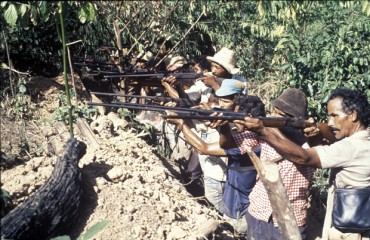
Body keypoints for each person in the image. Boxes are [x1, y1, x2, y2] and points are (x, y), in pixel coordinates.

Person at [234, 88, 370, 240]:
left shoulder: (352, 147)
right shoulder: (364, 141)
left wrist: (264, 131)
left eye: (334, 116)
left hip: (350, 230)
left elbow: (304, 157)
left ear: (353, 115)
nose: (330, 122)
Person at [211, 88, 316, 240]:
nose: (276, 117)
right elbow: (227, 145)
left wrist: (265, 130)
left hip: (290, 219)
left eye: (283, 116)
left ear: (298, 119)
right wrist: (224, 126)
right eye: (276, 112)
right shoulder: (265, 133)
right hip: (258, 211)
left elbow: (300, 156)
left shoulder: (310, 141)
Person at [164, 79, 260, 238]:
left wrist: (181, 124)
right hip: (231, 188)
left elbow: (206, 148)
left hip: (233, 191)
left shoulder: (247, 139)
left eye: (225, 100)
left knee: (231, 224)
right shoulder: (237, 127)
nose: (220, 104)